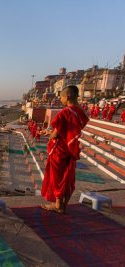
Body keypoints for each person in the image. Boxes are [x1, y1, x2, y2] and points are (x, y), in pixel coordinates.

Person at [41, 85, 89, 214]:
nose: (60, 100)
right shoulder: (80, 112)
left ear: (67, 96)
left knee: (57, 177)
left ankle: (57, 205)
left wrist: (48, 134)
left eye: (61, 97)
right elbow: (72, 130)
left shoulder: (65, 112)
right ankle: (64, 205)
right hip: (71, 148)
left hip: (60, 149)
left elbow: (56, 134)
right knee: (67, 176)